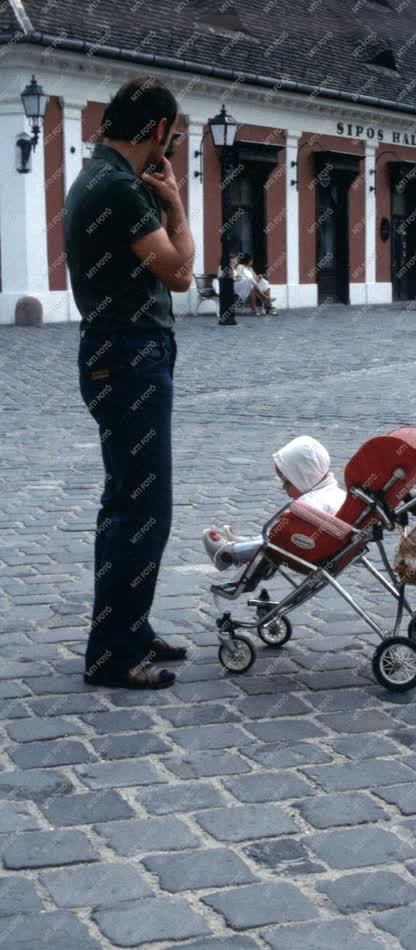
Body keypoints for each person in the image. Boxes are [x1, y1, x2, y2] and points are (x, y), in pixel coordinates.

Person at [64, 77, 195, 690]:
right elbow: (178, 272)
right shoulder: (119, 186)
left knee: (126, 502)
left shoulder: (101, 176)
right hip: (129, 356)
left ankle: (128, 629)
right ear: (159, 131)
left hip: (117, 353)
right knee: (143, 508)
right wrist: (177, 205)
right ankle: (114, 652)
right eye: (172, 131)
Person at [203, 436, 346, 569]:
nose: (283, 487)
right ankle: (246, 542)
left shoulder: (312, 502)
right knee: (278, 534)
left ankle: (230, 553)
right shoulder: (337, 494)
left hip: (311, 549)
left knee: (278, 538)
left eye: (287, 482)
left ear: (304, 478)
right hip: (328, 545)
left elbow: (285, 532)